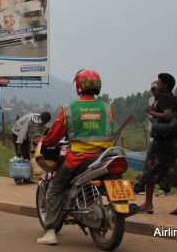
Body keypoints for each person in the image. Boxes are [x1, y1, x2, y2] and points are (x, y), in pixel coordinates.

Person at [37, 69, 115, 246]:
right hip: (105, 158)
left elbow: (53, 137)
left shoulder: (69, 109)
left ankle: (50, 231)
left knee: (55, 187)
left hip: (79, 160)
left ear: (79, 86)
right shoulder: (107, 108)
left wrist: (46, 141)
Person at [138, 72, 177, 217]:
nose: (157, 85)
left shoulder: (164, 97)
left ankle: (148, 203)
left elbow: (167, 115)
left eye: (159, 83)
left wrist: (151, 111)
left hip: (163, 140)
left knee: (150, 168)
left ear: (166, 85)